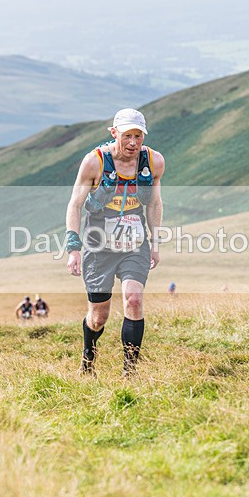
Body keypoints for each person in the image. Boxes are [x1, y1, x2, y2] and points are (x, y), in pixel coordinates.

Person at [65, 108, 165, 377]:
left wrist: (155, 242)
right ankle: (88, 360)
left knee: (133, 300)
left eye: (138, 136)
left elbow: (154, 203)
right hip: (99, 244)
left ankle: (130, 373)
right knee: (99, 317)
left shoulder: (154, 161)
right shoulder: (94, 162)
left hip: (135, 241)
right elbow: (75, 205)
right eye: (127, 136)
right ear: (114, 133)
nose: (133, 143)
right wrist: (73, 248)